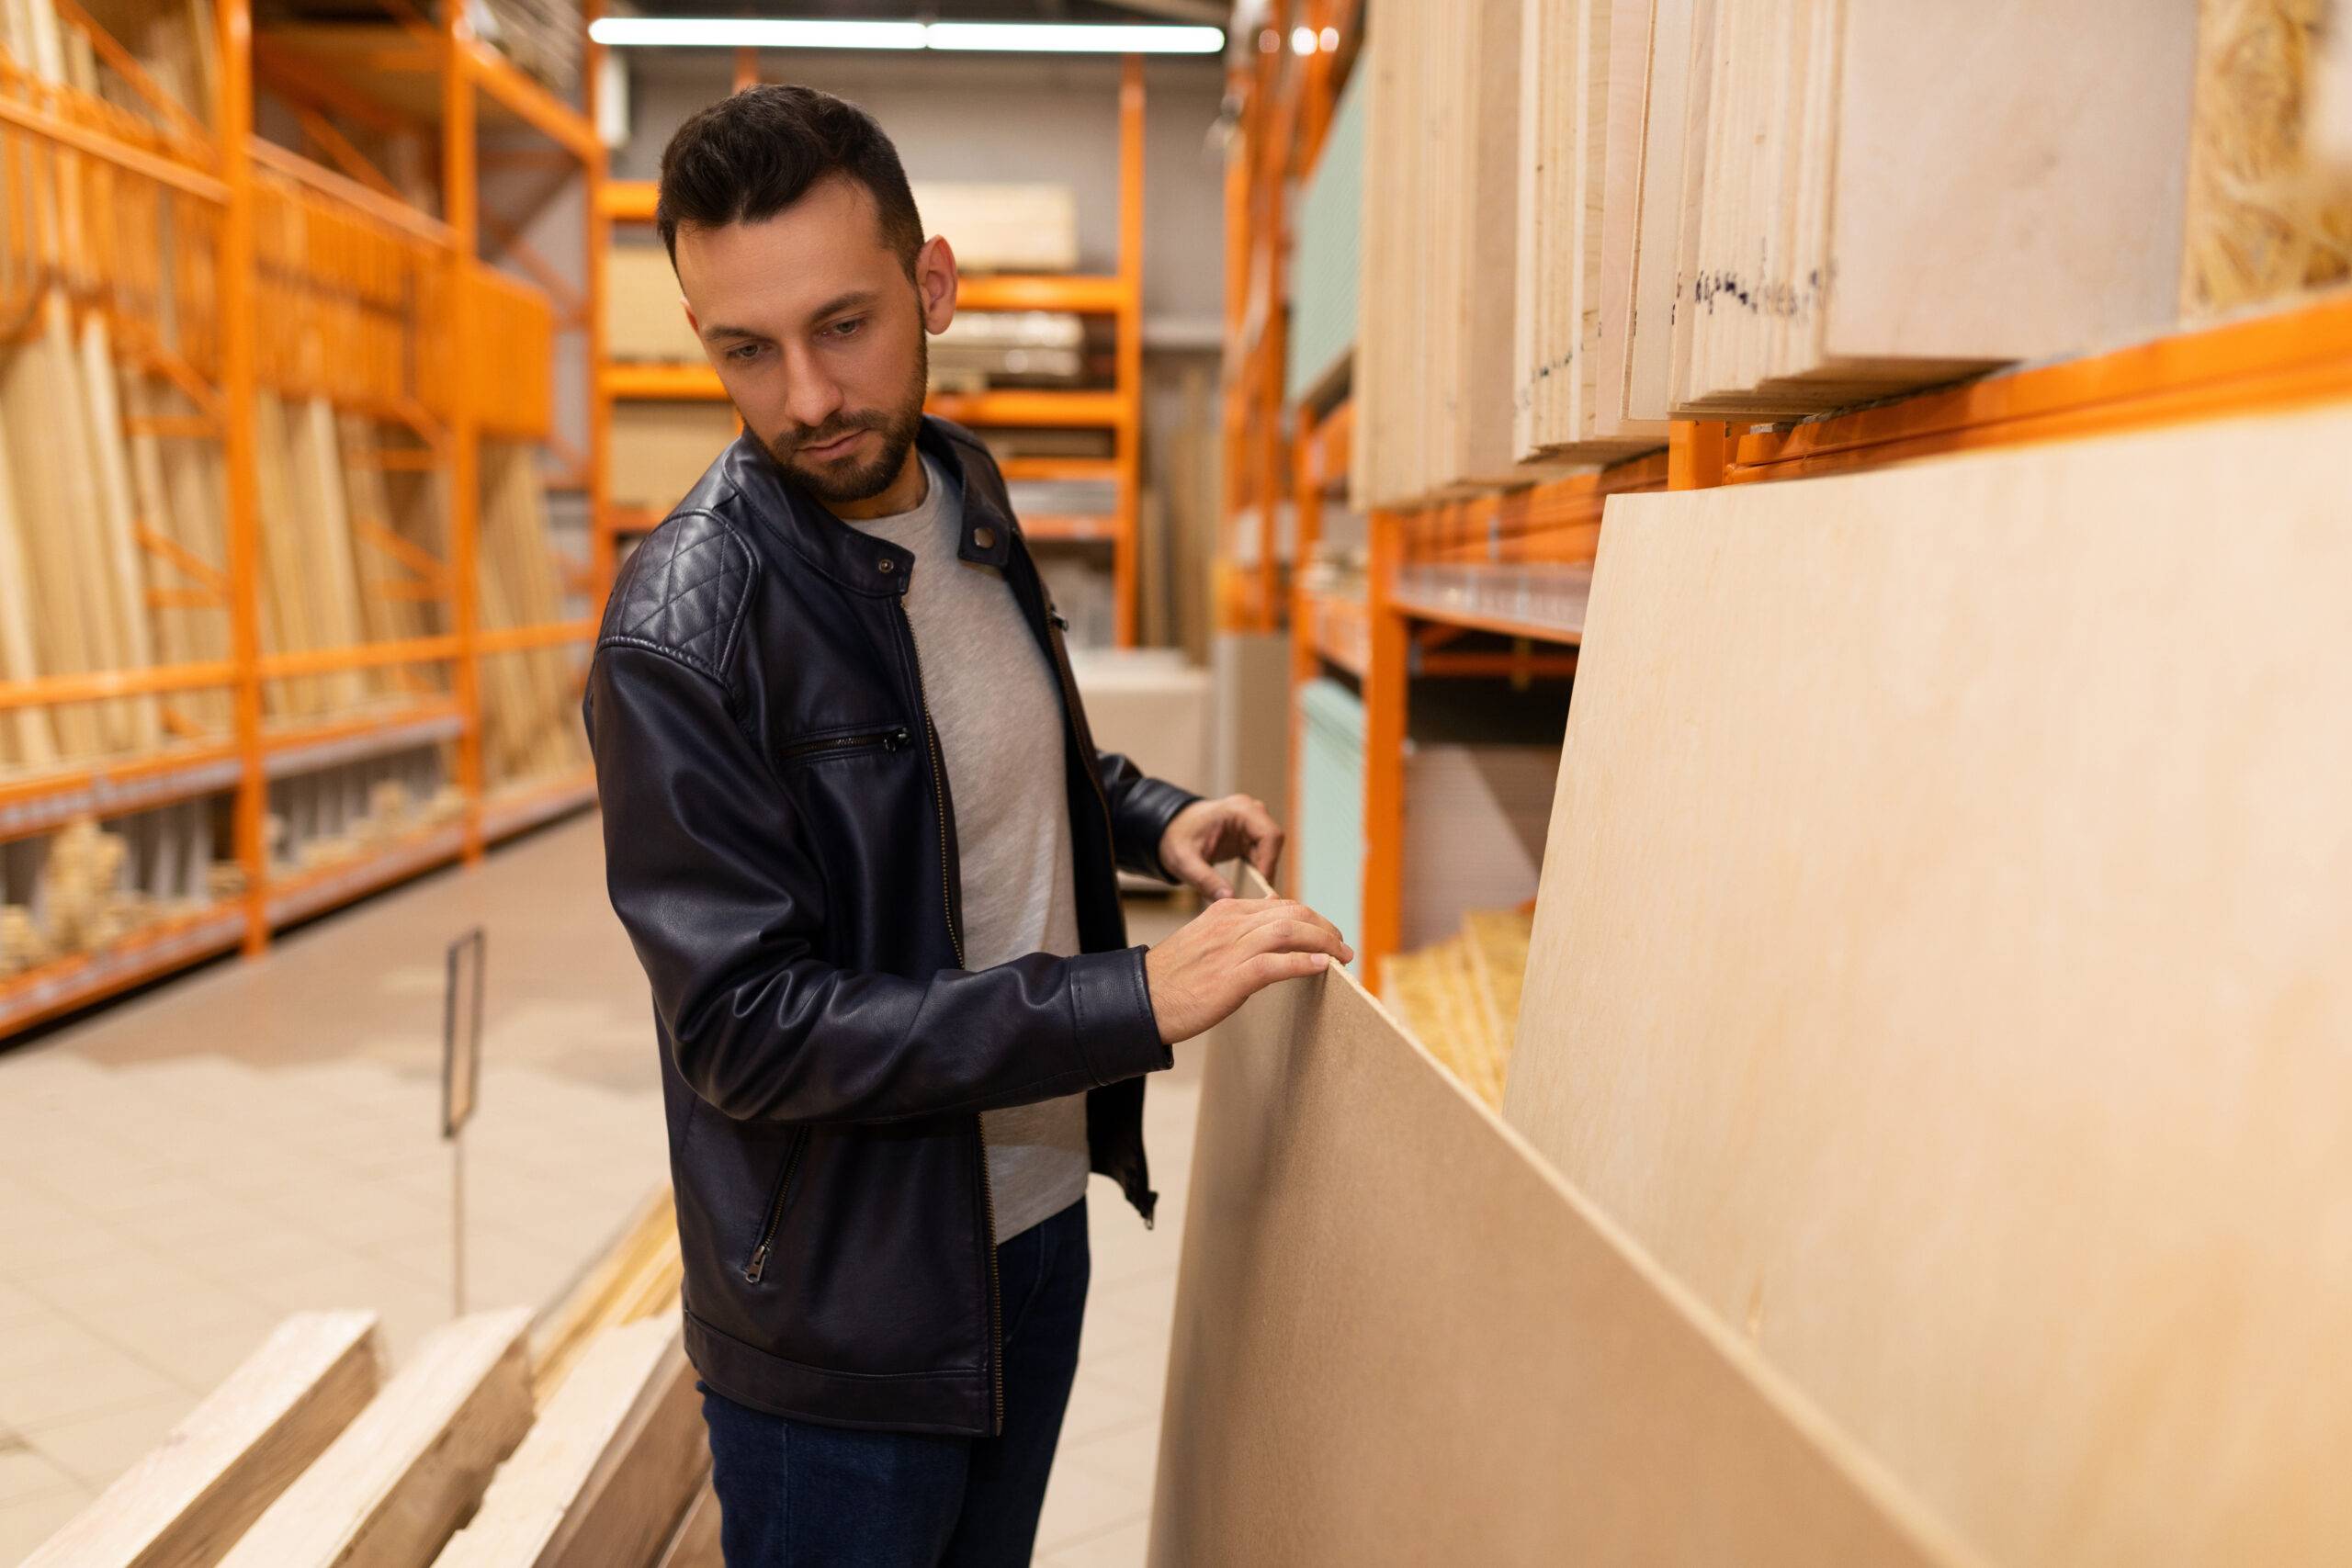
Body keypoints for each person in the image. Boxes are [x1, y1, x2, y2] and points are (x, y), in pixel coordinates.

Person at [583, 84, 1352, 1567]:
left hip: (1027, 1230)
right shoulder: (683, 628)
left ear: (932, 283)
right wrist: (1129, 999)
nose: (806, 396)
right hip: (846, 1312)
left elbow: (986, 759)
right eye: (747, 349)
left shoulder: (963, 494)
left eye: (844, 325)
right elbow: (749, 1028)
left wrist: (1153, 818)